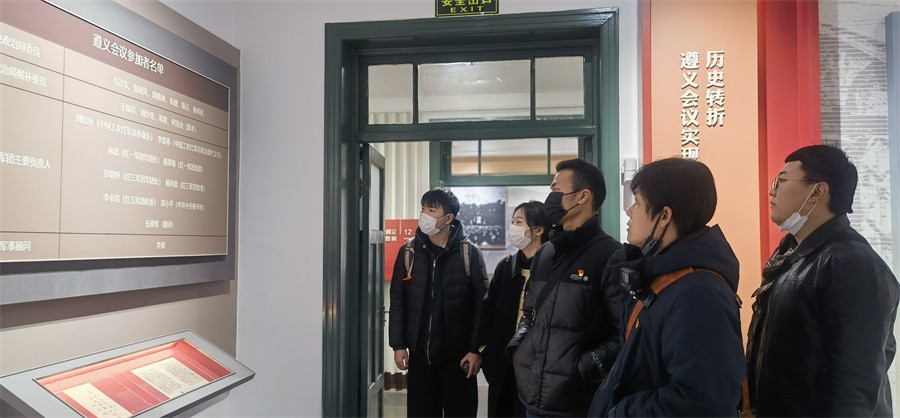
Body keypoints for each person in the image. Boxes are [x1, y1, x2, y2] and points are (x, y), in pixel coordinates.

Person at [746, 145, 899, 416]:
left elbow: (853, 384)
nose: (772, 192)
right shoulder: (789, 256)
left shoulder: (854, 264)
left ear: (817, 192)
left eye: (781, 181)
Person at [588, 157, 745, 416]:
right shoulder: (665, 278)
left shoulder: (698, 293)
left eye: (637, 202)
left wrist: (620, 413)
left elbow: (701, 401)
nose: (629, 211)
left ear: (664, 216)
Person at [510, 159, 623, 417]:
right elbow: (530, 313)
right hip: (532, 397)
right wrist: (518, 350)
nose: (550, 197)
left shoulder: (611, 255)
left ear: (583, 196)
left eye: (556, 189)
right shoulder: (545, 253)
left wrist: (581, 369)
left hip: (577, 403)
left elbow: (624, 332)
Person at [388, 188, 489, 417]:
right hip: (420, 354)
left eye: (431, 210)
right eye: (423, 208)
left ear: (448, 218)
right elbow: (398, 300)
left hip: (458, 356)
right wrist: (398, 344)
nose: (424, 214)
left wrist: (475, 350)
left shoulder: (469, 254)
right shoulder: (409, 252)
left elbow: (481, 307)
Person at [478, 201, 553, 417]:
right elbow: (489, 309)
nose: (513, 227)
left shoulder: (553, 268)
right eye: (512, 222)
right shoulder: (506, 266)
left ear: (538, 230)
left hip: (536, 365)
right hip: (502, 362)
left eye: (519, 222)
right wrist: (484, 350)